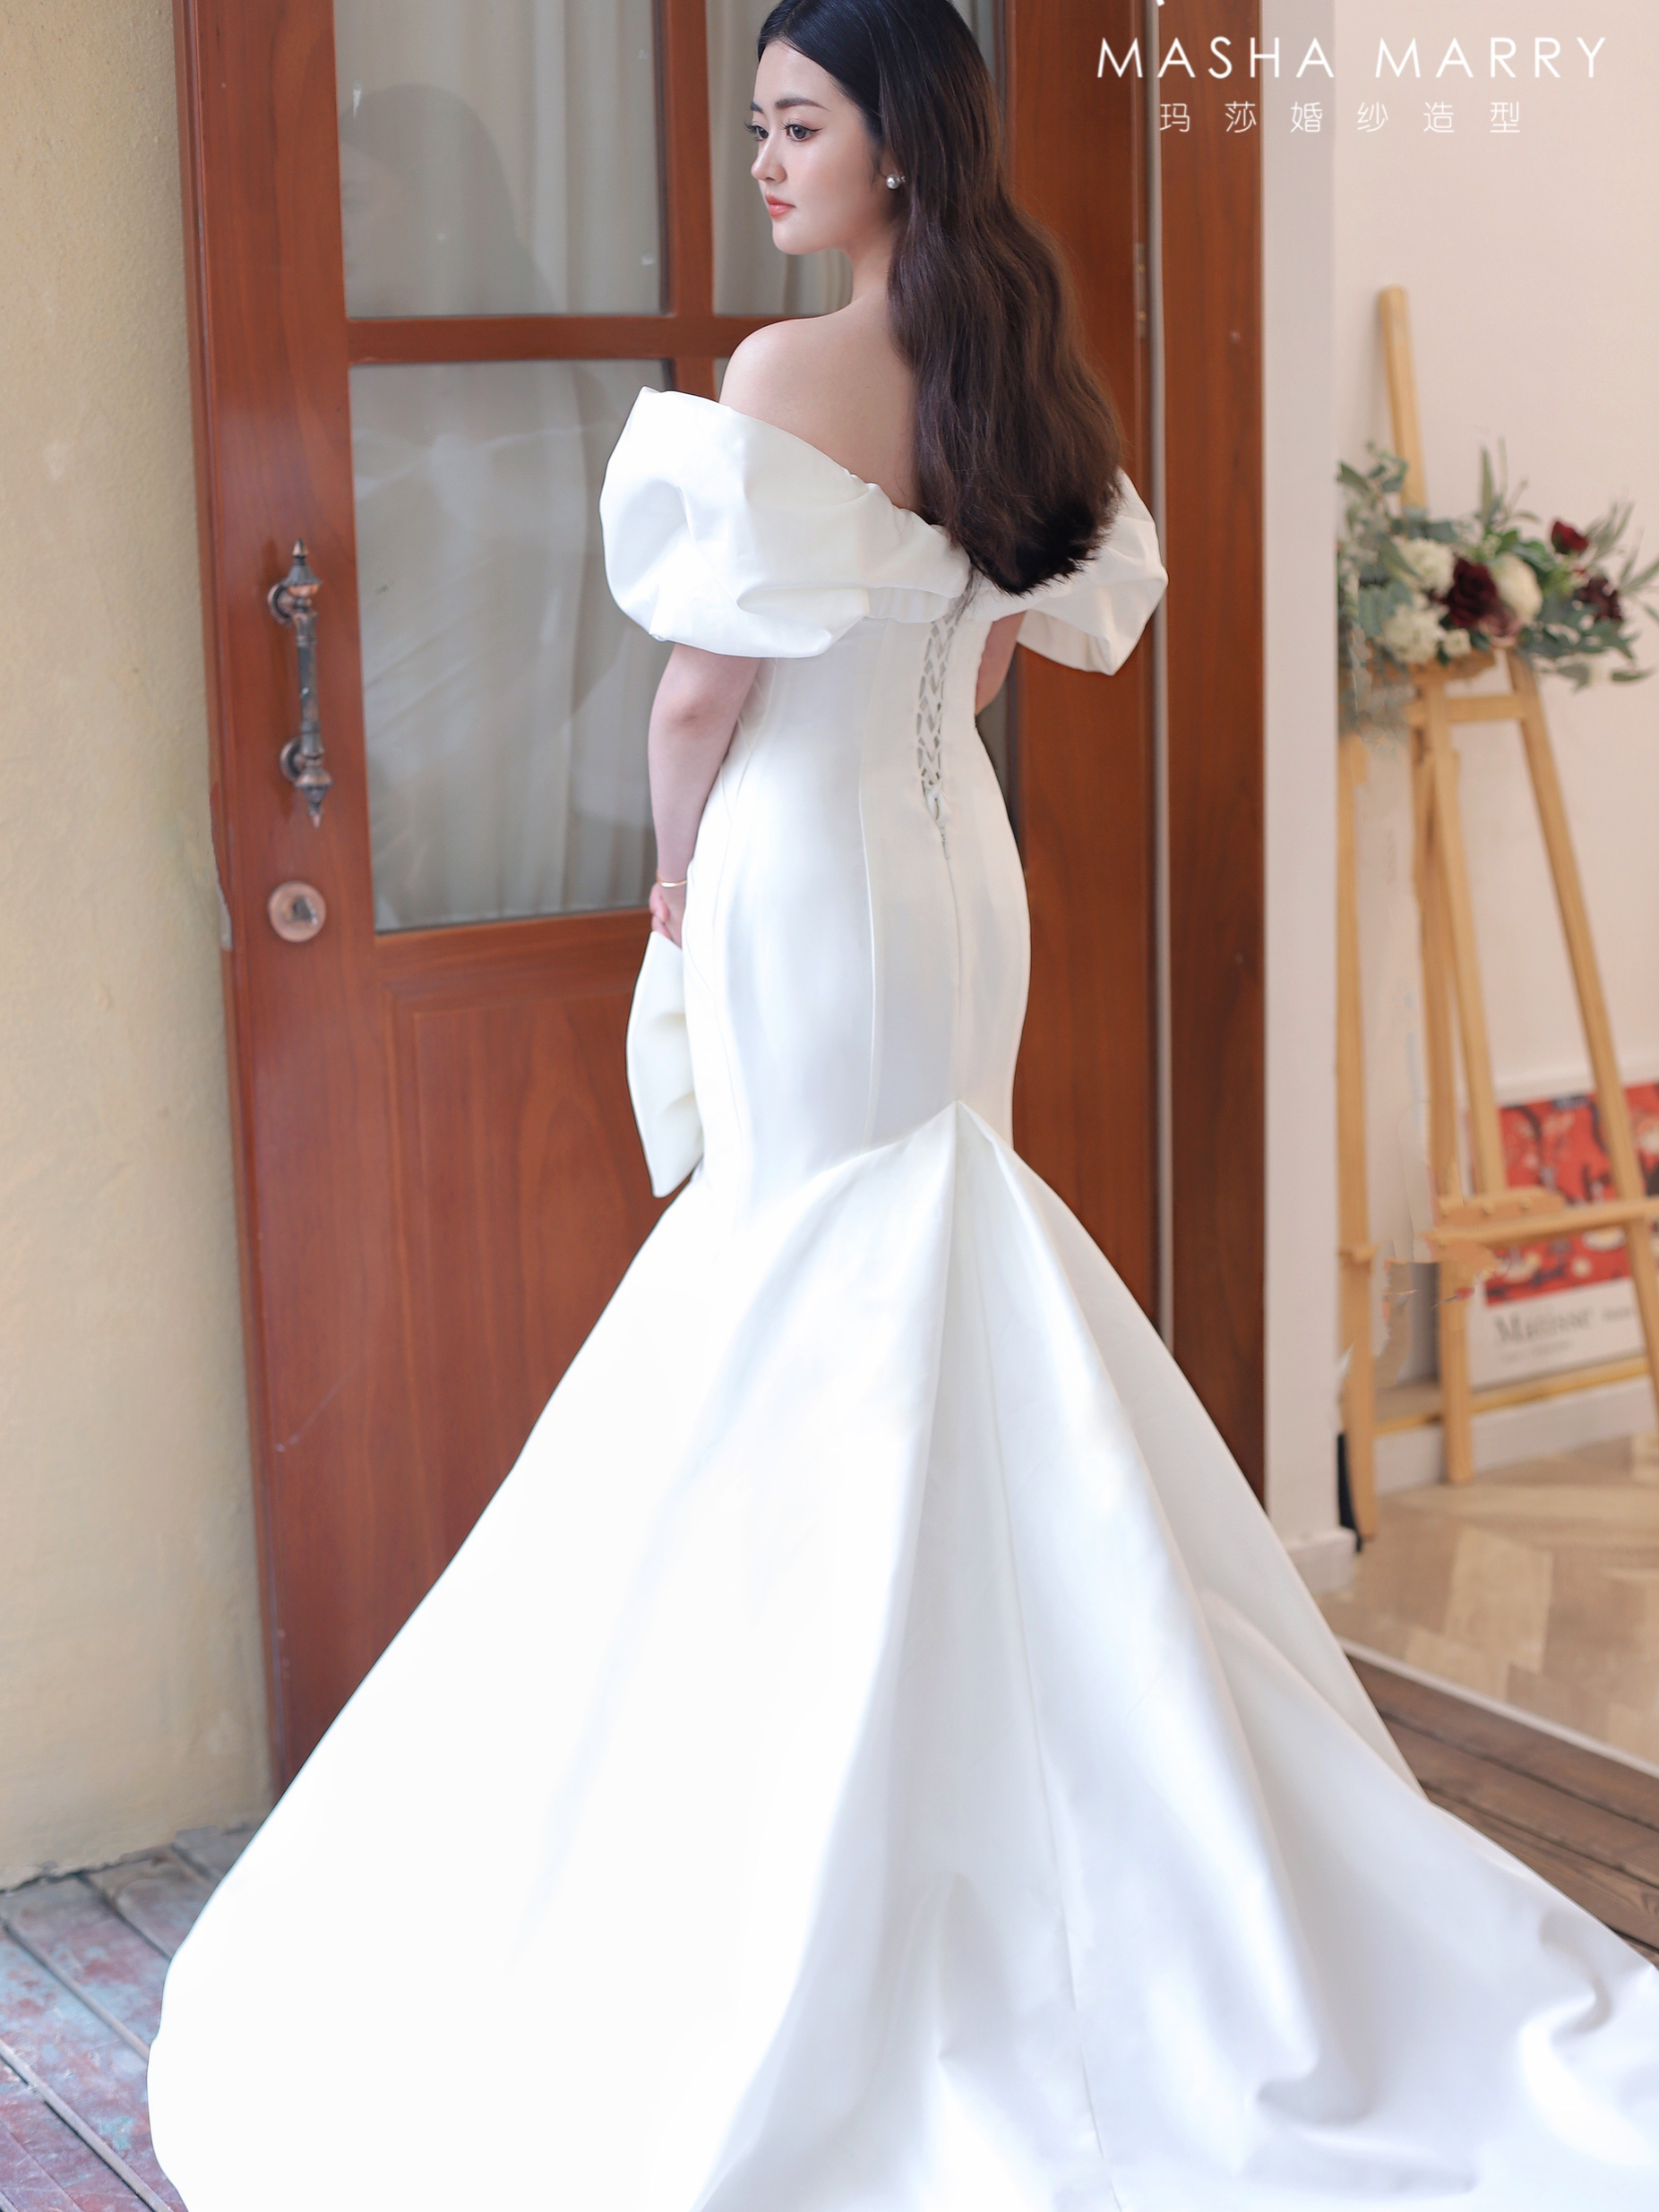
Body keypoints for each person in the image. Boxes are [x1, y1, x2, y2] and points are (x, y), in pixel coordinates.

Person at [148, 2, 1659, 2204]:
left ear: (894, 143)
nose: (763, 161)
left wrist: (676, 881)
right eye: (758, 124)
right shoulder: (1010, 369)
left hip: (800, 863)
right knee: (931, 1224)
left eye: (795, 124)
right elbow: (1003, 639)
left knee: (808, 1248)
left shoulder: (784, 373)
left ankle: (850, 1789)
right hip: (956, 870)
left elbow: (695, 699)